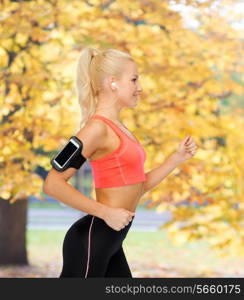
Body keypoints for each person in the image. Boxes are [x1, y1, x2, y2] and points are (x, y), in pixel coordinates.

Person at [43, 46, 197, 278]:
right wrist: (106, 213)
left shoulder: (121, 130)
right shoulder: (96, 129)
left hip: (111, 242)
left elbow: (137, 187)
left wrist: (176, 159)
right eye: (134, 80)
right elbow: (52, 184)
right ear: (112, 82)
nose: (140, 88)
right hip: (91, 241)